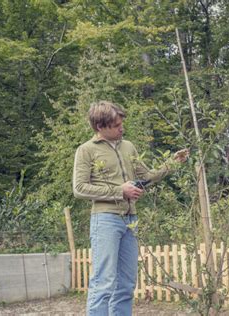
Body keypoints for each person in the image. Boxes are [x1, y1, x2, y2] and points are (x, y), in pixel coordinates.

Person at [73, 100, 189, 316]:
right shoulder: (86, 150)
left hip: (130, 220)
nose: (121, 128)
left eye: (121, 124)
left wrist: (173, 163)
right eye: (116, 125)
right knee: (104, 281)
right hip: (105, 220)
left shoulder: (129, 147)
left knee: (126, 283)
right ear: (100, 127)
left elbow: (146, 177)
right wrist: (120, 191)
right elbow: (79, 189)